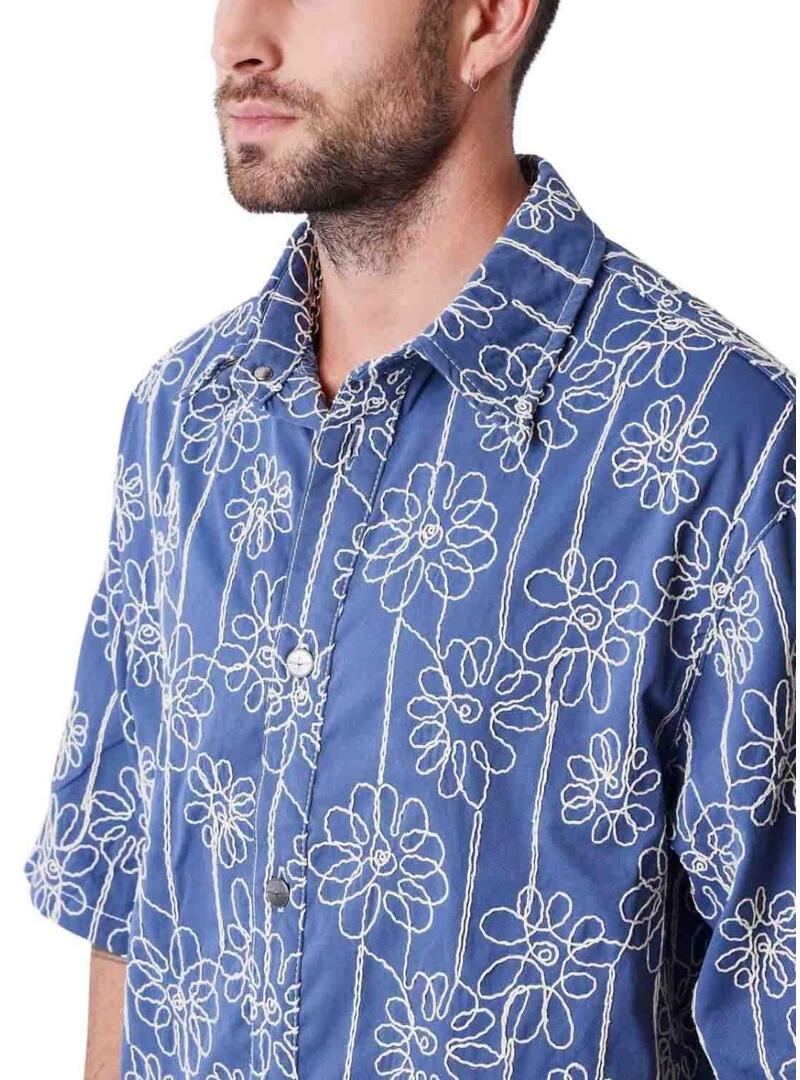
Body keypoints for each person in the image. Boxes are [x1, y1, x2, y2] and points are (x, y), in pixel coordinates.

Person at [25, 1, 796, 1077]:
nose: (239, 38)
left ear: (487, 19)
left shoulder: (718, 438)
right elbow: (124, 894)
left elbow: (778, 992)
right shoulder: (183, 418)